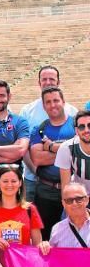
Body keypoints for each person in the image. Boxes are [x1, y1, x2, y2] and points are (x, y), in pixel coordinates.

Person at [20, 66, 78, 202]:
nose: (48, 82)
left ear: (58, 82)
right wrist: (35, 170)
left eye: (51, 79)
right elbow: (28, 151)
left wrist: (51, 147)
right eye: (44, 79)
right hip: (33, 179)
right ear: (39, 83)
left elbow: (79, 148)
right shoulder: (27, 111)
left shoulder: (73, 112)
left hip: (71, 182)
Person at [28, 87, 75, 239]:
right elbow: (37, 159)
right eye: (48, 102)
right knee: (46, 237)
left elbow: (82, 151)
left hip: (75, 190)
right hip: (46, 191)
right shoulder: (40, 129)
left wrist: (50, 147)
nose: (53, 105)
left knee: (75, 234)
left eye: (56, 100)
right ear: (43, 106)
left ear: (63, 102)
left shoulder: (77, 126)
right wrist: (68, 151)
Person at [0, 165, 43, 250]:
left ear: (20, 183)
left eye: (13, 181)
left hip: (21, 262)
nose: (9, 185)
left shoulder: (30, 209)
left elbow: (37, 246)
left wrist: (43, 245)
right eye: (5, 181)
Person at [38, 183, 89, 252]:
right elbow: (52, 258)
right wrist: (44, 247)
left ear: (87, 200)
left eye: (79, 199)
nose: (74, 203)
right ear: (63, 204)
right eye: (69, 200)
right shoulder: (57, 230)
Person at [55, 110, 90, 194]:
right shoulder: (67, 148)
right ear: (76, 131)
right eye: (82, 127)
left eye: (89, 125)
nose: (86, 130)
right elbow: (65, 187)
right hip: (81, 197)